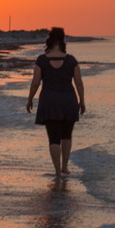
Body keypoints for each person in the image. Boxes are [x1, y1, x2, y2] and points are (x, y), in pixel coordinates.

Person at [26, 27, 86, 176]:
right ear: (63, 39)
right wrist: (82, 100)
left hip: (49, 101)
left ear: (50, 39)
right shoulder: (71, 60)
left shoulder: (42, 60)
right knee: (67, 135)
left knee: (53, 138)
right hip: (68, 100)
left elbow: (35, 82)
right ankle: (65, 166)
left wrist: (30, 99)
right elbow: (78, 82)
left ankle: (57, 171)